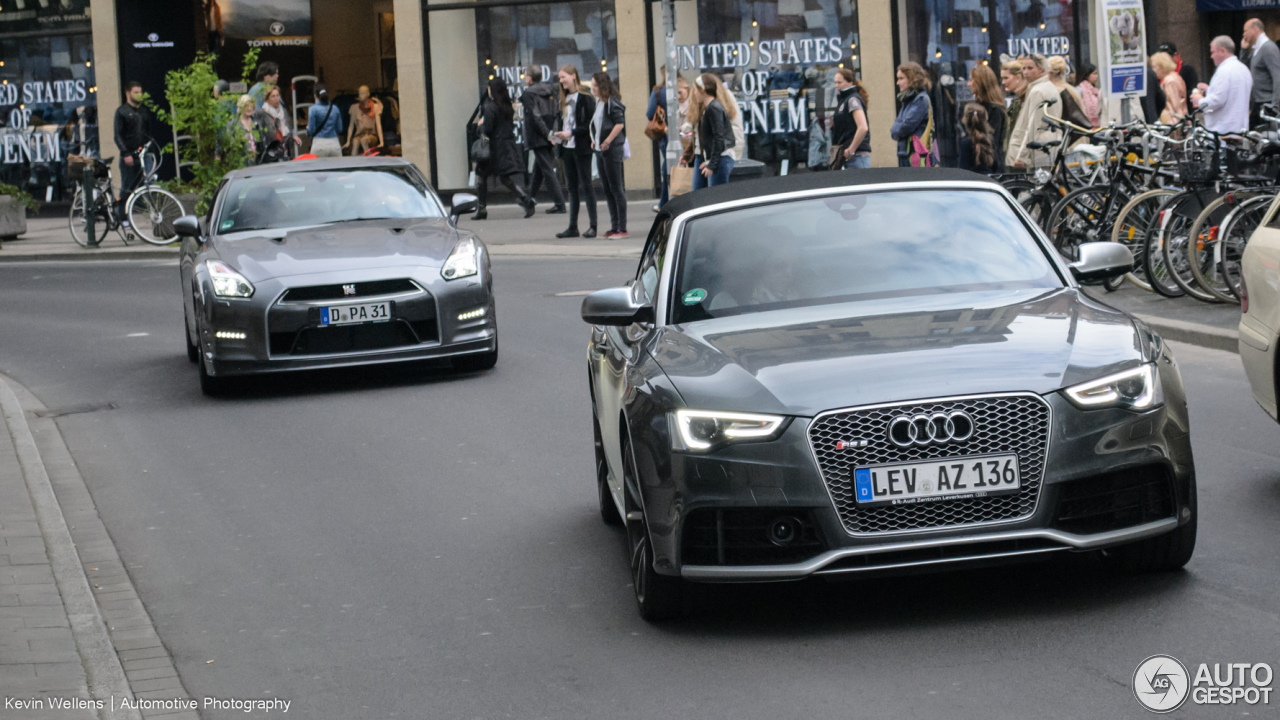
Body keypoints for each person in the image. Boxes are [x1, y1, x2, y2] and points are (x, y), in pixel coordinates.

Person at [474, 77, 535, 220]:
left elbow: (487, 129)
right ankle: (526, 200)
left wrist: (480, 126)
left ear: (493, 90)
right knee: (505, 178)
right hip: (506, 146)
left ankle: (481, 208)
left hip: (493, 148)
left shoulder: (490, 107)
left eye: (489, 88)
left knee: (481, 175)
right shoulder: (507, 106)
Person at [552, 65, 597, 238]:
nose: (561, 81)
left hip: (581, 148)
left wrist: (571, 133)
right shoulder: (562, 99)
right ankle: (573, 226)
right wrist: (556, 137)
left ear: (573, 76)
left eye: (563, 77)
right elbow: (562, 123)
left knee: (587, 185)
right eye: (560, 78)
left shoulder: (585, 98)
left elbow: (589, 125)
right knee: (571, 188)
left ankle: (593, 225)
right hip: (567, 148)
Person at [520, 67, 565, 214]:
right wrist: (553, 135)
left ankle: (560, 204)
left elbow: (535, 116)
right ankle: (529, 200)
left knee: (546, 170)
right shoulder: (550, 90)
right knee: (539, 170)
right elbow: (556, 113)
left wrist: (547, 134)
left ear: (530, 78)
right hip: (550, 133)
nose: (525, 78)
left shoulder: (528, 93)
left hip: (538, 135)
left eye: (526, 75)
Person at [590, 71, 628, 238]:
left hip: (611, 149)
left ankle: (622, 227)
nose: (592, 89)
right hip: (600, 150)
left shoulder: (612, 102)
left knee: (616, 189)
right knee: (608, 189)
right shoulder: (599, 103)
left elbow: (619, 124)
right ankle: (614, 226)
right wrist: (595, 140)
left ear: (602, 87)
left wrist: (607, 141)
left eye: (595, 86)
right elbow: (598, 126)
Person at [1191, 36, 1253, 134]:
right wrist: (1210, 89)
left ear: (1222, 51)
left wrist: (1199, 101)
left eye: (1213, 52)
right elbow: (1232, 93)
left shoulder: (1224, 71)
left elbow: (1217, 100)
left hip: (1223, 132)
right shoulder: (1244, 69)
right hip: (1240, 128)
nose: (1211, 56)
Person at [1008, 54, 1059, 169]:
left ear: (1040, 69)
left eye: (1030, 68)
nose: (1025, 72)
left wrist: (1022, 156)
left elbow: (1033, 126)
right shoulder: (1048, 86)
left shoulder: (1038, 91)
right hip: (1050, 145)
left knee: (1037, 184)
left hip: (1039, 149)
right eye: (1024, 68)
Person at [113, 80, 149, 223]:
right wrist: (125, 153)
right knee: (127, 186)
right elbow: (117, 135)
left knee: (147, 183)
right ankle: (122, 216)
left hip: (143, 154)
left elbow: (148, 133)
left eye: (140, 92)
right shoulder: (122, 112)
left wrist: (149, 151)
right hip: (129, 154)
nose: (139, 95)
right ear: (128, 93)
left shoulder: (143, 112)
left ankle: (148, 212)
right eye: (136, 92)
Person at [690, 73, 736, 186]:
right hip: (718, 159)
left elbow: (718, 136)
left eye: (695, 90)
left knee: (716, 197)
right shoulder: (712, 107)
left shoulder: (713, 108)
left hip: (721, 159)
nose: (694, 93)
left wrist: (712, 163)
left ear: (703, 90)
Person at [890, 62, 935, 167]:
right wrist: (896, 130)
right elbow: (897, 127)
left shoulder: (920, 99)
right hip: (906, 152)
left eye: (901, 79)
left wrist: (896, 130)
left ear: (912, 79)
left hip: (916, 154)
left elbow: (905, 127)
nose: (898, 83)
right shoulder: (908, 100)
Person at [830, 68, 871, 169]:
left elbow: (863, 127)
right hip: (850, 155)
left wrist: (851, 150)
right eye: (835, 82)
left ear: (850, 82)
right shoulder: (844, 100)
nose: (836, 85)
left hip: (857, 156)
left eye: (839, 82)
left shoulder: (852, 100)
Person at [1242, 18, 1280, 126]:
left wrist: (1275, 106)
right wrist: (1244, 50)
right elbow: (1244, 69)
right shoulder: (1256, 49)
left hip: (1267, 104)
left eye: (1245, 30)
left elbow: (1278, 77)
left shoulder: (1268, 48)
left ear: (1255, 29)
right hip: (1258, 103)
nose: (1244, 34)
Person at [968, 64, 1006, 171]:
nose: (968, 84)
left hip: (989, 166)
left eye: (971, 80)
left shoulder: (995, 110)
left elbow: (992, 141)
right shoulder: (980, 107)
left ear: (980, 83)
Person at [1047, 56, 1090, 130]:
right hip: (1078, 132)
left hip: (1071, 135)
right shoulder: (1071, 89)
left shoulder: (1058, 91)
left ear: (1049, 73)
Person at [257, 86, 302, 152]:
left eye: (277, 96)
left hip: (284, 149)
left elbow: (290, 128)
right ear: (267, 98)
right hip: (270, 151)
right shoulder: (262, 113)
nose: (276, 98)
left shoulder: (283, 111)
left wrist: (294, 136)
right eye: (273, 96)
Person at [958, 103, 997, 174]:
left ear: (965, 119)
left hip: (973, 182)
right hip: (990, 181)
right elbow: (996, 166)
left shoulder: (965, 143)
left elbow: (963, 169)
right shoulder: (990, 140)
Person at [306, 83, 343, 157]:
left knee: (317, 168)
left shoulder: (313, 110)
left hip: (319, 144)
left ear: (315, 95)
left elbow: (311, 131)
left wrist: (307, 129)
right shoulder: (335, 108)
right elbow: (339, 129)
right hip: (334, 144)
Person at [345, 86, 384, 155]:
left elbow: (378, 125)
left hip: (371, 135)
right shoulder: (354, 107)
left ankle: (369, 161)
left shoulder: (375, 106)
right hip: (359, 134)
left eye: (363, 93)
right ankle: (353, 164)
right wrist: (348, 141)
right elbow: (351, 126)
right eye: (359, 93)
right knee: (355, 142)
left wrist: (381, 141)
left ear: (368, 94)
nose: (360, 95)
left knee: (364, 140)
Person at [1150, 52, 1187, 124]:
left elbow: (1175, 106)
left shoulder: (1169, 81)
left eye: (1155, 67)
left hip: (1173, 122)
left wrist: (1178, 124)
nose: (1153, 70)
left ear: (1163, 66)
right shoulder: (1175, 76)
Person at [1000, 61, 1027, 157]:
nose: (1003, 82)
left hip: (1022, 155)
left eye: (1006, 78)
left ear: (1018, 77)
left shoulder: (1027, 99)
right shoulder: (1017, 101)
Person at [1077, 64, 1101, 128]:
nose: (1096, 76)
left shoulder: (1095, 91)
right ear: (1087, 75)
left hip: (1097, 125)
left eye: (1097, 74)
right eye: (1094, 74)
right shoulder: (1080, 89)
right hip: (1084, 124)